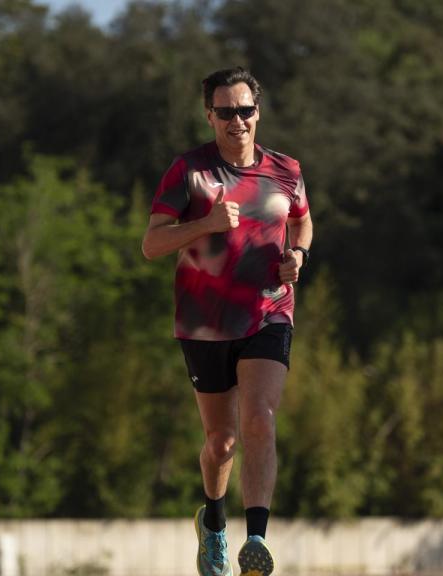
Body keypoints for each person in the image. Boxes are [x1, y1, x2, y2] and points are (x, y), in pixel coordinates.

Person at [142, 67, 313, 576]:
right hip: (204, 322)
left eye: (245, 110)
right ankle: (214, 520)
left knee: (260, 418)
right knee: (221, 442)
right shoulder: (189, 172)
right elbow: (152, 244)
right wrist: (206, 224)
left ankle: (255, 539)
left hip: (269, 310)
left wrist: (298, 255)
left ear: (258, 112)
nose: (236, 121)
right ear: (209, 116)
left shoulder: (286, 169)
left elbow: (302, 217)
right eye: (225, 112)